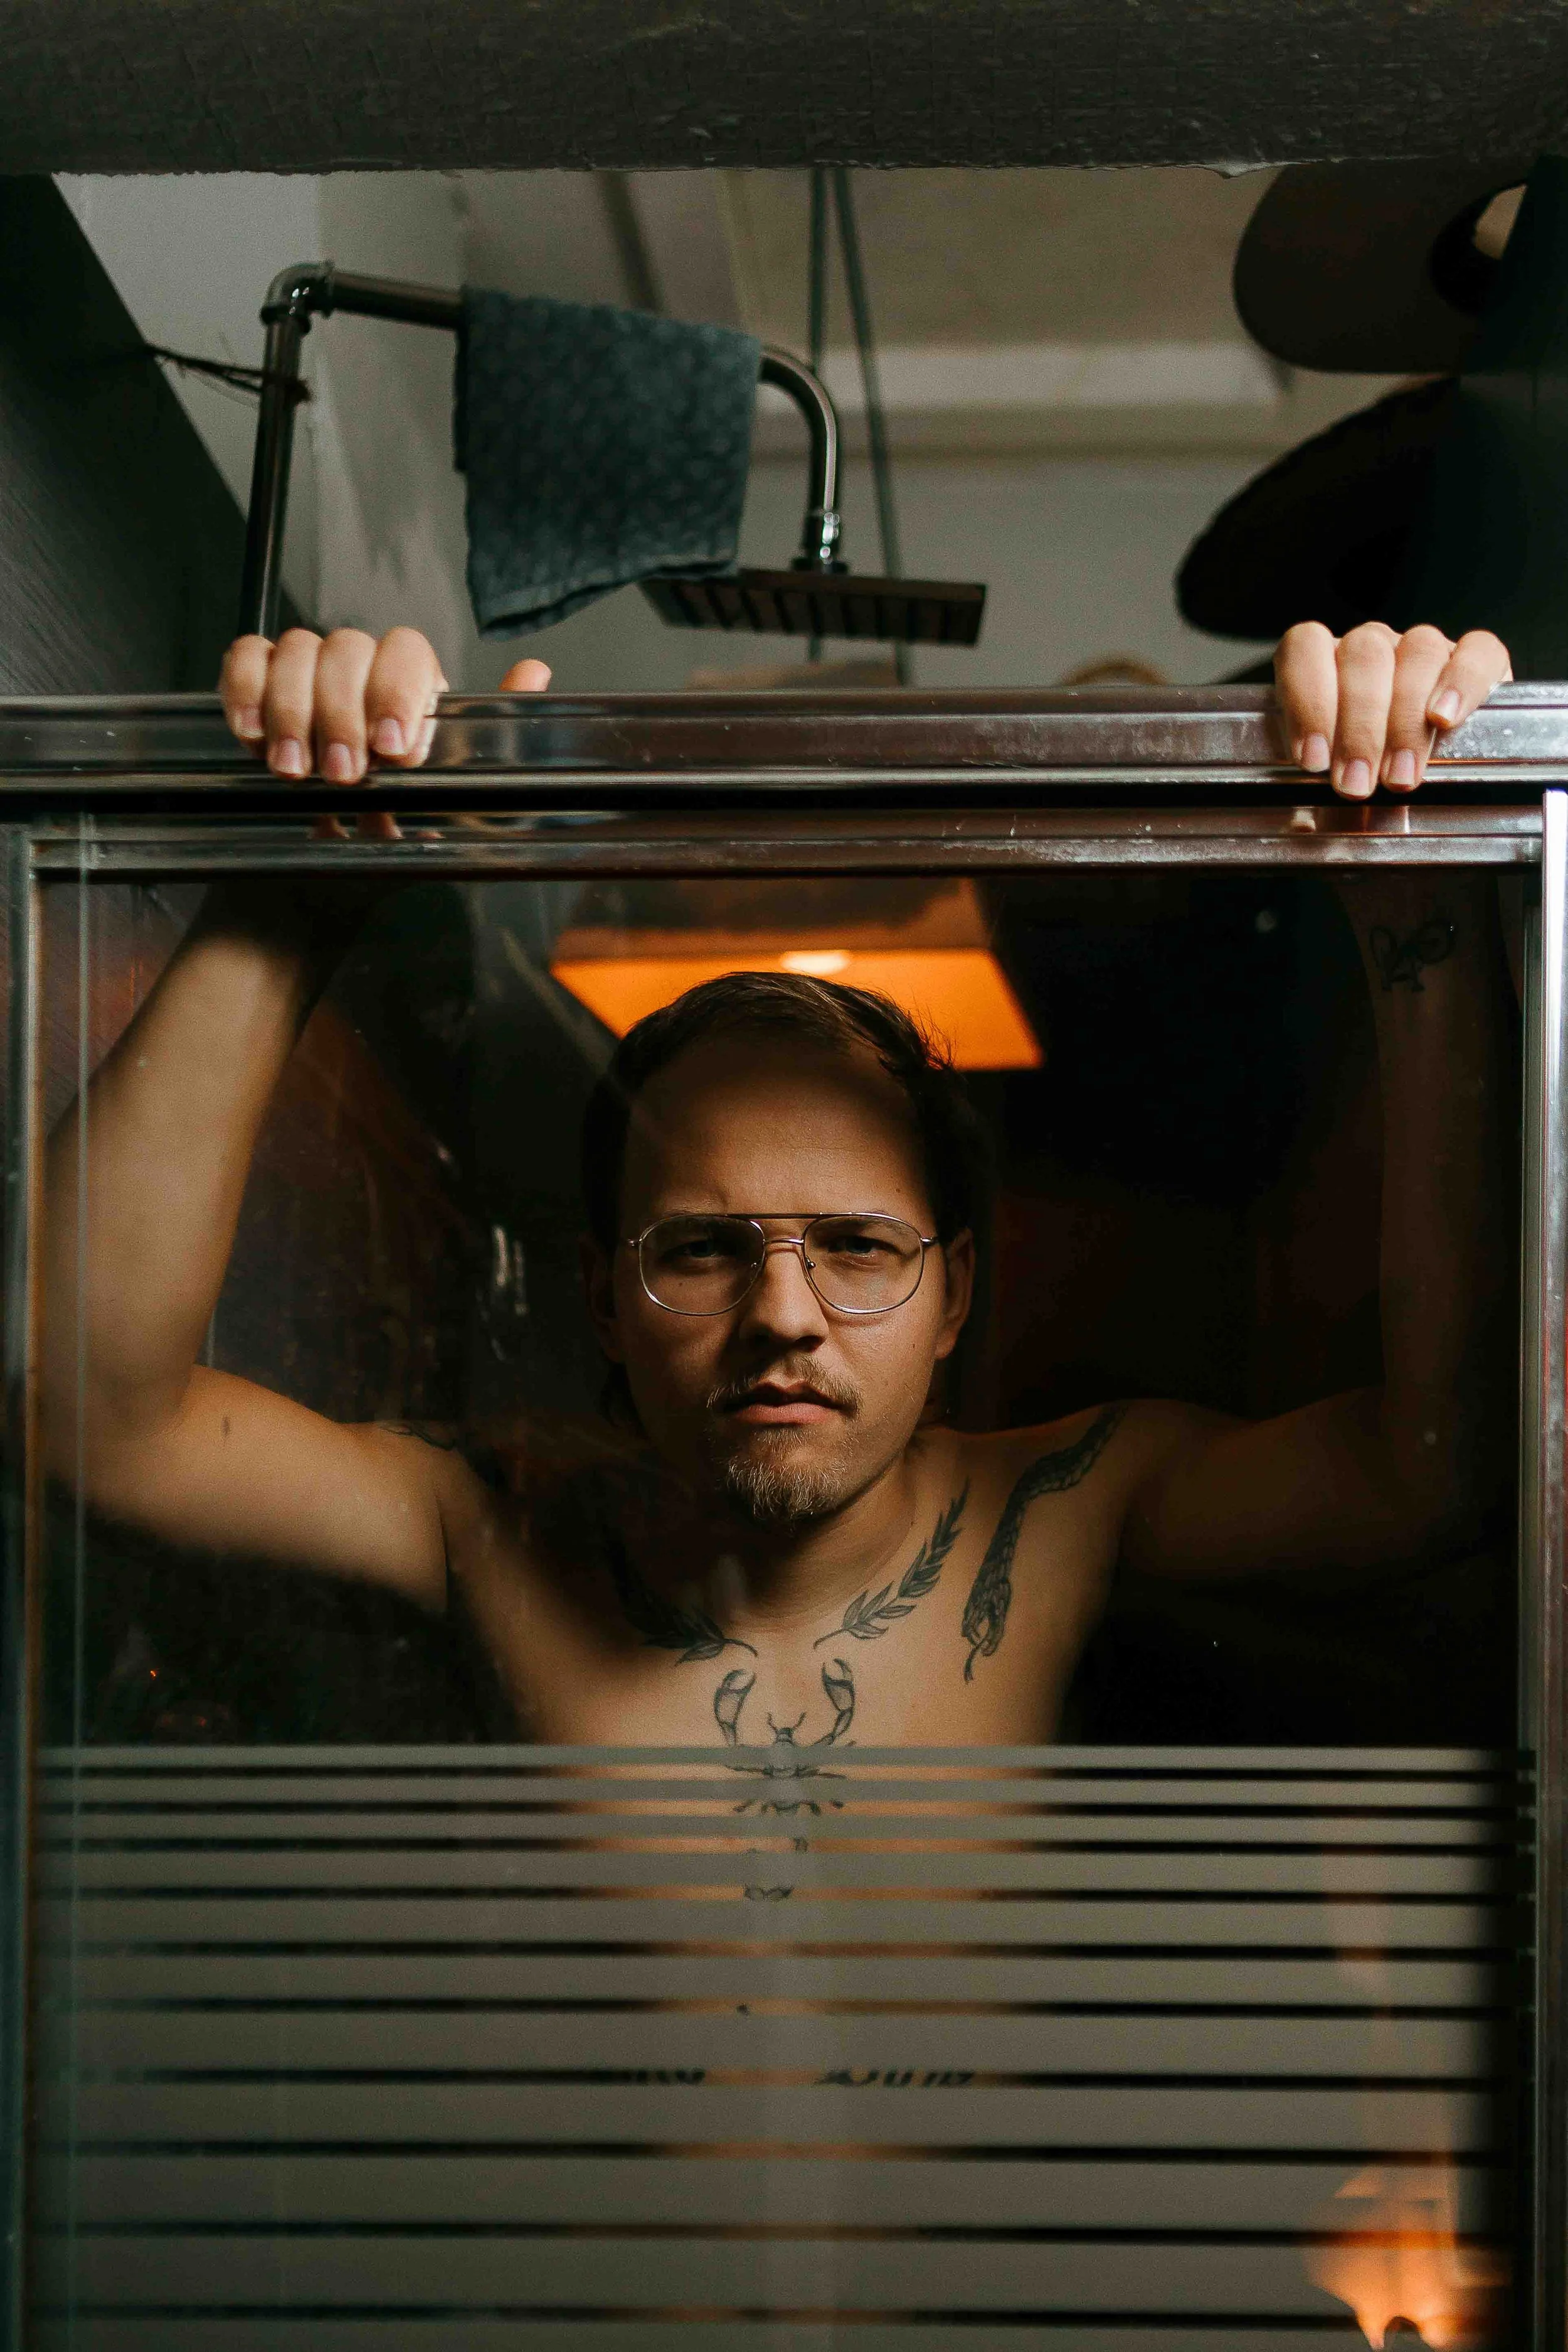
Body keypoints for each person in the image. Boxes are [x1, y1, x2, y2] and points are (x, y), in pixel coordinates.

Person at [40, 618, 1517, 1751]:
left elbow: (1432, 1469)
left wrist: (1415, 908)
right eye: (699, 1249)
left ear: (955, 1299)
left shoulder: (1063, 1511)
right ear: (600, 1304)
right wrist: (294, 891)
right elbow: (85, 1419)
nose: (784, 1315)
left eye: (861, 1247)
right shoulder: (496, 1529)